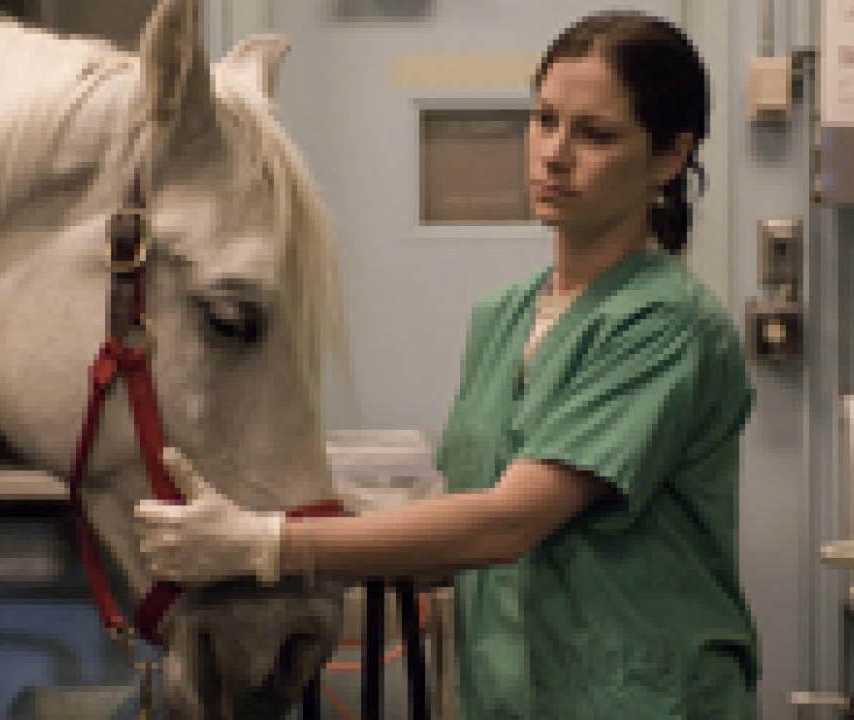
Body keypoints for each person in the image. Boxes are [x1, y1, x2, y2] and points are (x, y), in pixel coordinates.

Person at [136, 10, 758, 719]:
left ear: (671, 157)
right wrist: (295, 520)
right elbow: (466, 526)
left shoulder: (667, 326)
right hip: (510, 697)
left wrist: (271, 544)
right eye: (545, 120)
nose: (555, 154)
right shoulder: (505, 318)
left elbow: (507, 524)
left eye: (596, 134)